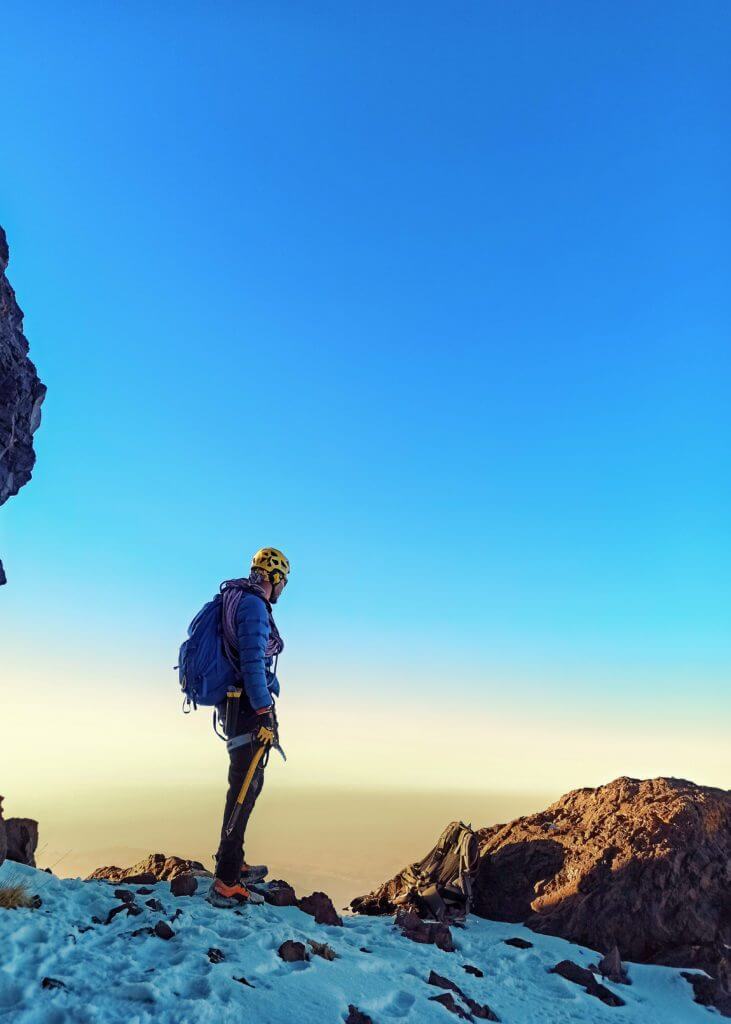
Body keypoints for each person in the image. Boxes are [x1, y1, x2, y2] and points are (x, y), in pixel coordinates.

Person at [207, 547, 290, 908]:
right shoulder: (254, 606)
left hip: (234, 703)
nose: (283, 587)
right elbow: (253, 661)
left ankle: (233, 863)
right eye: (283, 581)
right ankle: (226, 880)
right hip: (247, 707)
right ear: (274, 579)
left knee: (242, 785)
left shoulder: (235, 598)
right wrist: (264, 708)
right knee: (245, 788)